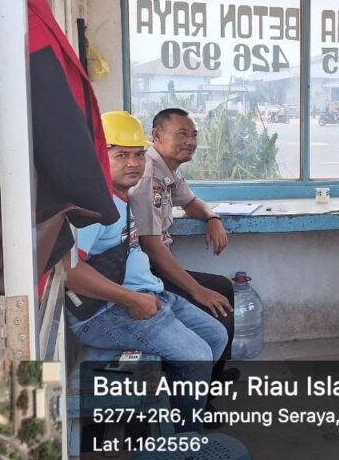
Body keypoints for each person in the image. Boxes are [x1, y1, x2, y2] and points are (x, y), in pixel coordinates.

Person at [64, 111, 227, 417]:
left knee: (216, 335)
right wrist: (132, 299)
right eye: (121, 155)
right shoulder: (94, 208)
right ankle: (183, 436)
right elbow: (69, 271)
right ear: (98, 156)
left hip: (147, 294)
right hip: (107, 311)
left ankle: (177, 410)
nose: (133, 163)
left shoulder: (119, 196)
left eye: (139, 155)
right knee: (197, 355)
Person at [129, 108, 239, 385]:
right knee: (216, 295)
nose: (190, 142)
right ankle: (207, 387)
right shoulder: (147, 175)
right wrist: (196, 290)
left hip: (155, 265)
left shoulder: (167, 170)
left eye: (193, 135)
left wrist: (212, 218)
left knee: (222, 289)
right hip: (145, 275)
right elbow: (150, 244)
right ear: (157, 135)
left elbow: (190, 202)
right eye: (182, 134)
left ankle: (213, 375)